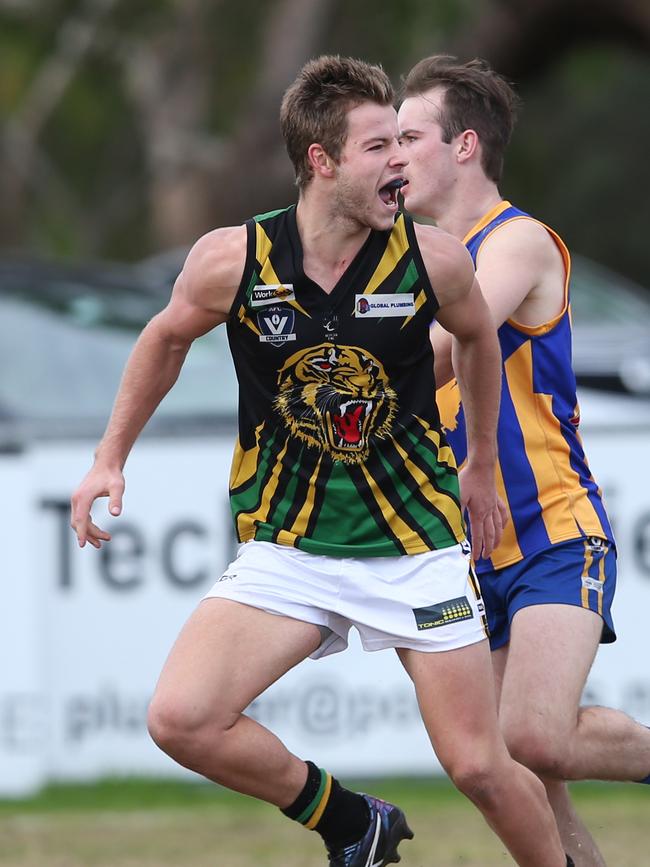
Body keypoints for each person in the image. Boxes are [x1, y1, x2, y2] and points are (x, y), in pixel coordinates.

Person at [71, 55, 572, 867]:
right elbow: (163, 338)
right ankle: (350, 822)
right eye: (378, 147)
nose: (399, 162)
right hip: (291, 551)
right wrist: (108, 458)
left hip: (415, 545)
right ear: (322, 161)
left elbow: (479, 338)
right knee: (181, 718)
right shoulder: (234, 260)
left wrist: (479, 459)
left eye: (401, 145)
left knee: (481, 765)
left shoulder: (435, 259)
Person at [398, 54, 650, 867]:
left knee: (534, 732)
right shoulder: (420, 259)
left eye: (408, 136)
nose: (392, 156)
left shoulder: (517, 243)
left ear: (465, 145)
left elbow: (444, 348)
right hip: (472, 551)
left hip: (552, 529)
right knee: (513, 769)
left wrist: (348, 366)